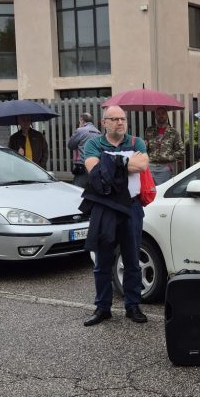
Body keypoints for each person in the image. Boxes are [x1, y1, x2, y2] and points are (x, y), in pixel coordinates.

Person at [81, 105, 149, 327]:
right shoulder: (93, 143)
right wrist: (125, 162)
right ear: (104, 123)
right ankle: (103, 308)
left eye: (123, 119)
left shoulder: (136, 142)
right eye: (115, 119)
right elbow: (95, 171)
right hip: (105, 207)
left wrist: (111, 163)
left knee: (132, 260)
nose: (120, 122)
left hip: (131, 207)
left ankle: (133, 305)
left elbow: (143, 165)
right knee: (103, 261)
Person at [144, 107, 184, 185]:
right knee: (150, 192)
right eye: (158, 114)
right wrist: (144, 146)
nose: (161, 116)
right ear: (155, 116)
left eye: (163, 113)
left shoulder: (173, 132)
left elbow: (181, 150)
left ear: (166, 115)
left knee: (162, 192)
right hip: (150, 167)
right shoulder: (149, 130)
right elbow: (145, 149)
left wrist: (168, 157)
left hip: (165, 168)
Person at [66, 112, 100, 188]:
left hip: (82, 164)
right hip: (95, 164)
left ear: (82, 120)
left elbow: (70, 145)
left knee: (77, 188)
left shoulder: (80, 130)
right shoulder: (98, 132)